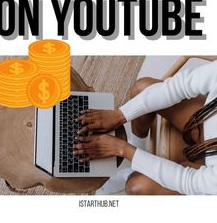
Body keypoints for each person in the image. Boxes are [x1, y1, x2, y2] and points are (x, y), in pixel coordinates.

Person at [73, 60, 217, 195]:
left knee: (136, 186)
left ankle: (132, 163)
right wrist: (119, 115)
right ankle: (137, 148)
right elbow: (179, 86)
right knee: (141, 89)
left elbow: (190, 182)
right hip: (204, 118)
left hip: (208, 169)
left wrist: (122, 149)